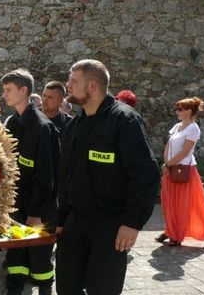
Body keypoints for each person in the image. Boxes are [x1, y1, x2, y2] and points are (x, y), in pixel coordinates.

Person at [56, 59, 160, 295]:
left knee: (102, 290)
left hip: (110, 227)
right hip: (75, 223)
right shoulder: (73, 127)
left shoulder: (124, 120)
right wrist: (61, 220)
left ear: (92, 85)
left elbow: (146, 174)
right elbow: (65, 177)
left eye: (73, 81)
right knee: (66, 288)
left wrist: (133, 222)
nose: (68, 86)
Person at [1, 69, 59, 295]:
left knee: (40, 254)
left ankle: (45, 288)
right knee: (15, 252)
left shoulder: (42, 127)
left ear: (24, 90)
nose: (4, 94)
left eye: (8, 90)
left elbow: (47, 176)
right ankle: (14, 288)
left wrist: (35, 213)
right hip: (17, 204)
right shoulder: (12, 124)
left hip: (40, 207)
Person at [156, 97, 204, 246]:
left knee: (180, 204)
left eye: (180, 109)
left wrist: (168, 164)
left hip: (183, 169)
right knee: (169, 202)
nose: (177, 112)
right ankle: (170, 230)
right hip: (171, 168)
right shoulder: (177, 126)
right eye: (177, 109)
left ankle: (177, 235)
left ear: (188, 111)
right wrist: (166, 163)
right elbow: (168, 144)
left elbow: (186, 151)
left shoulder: (193, 128)